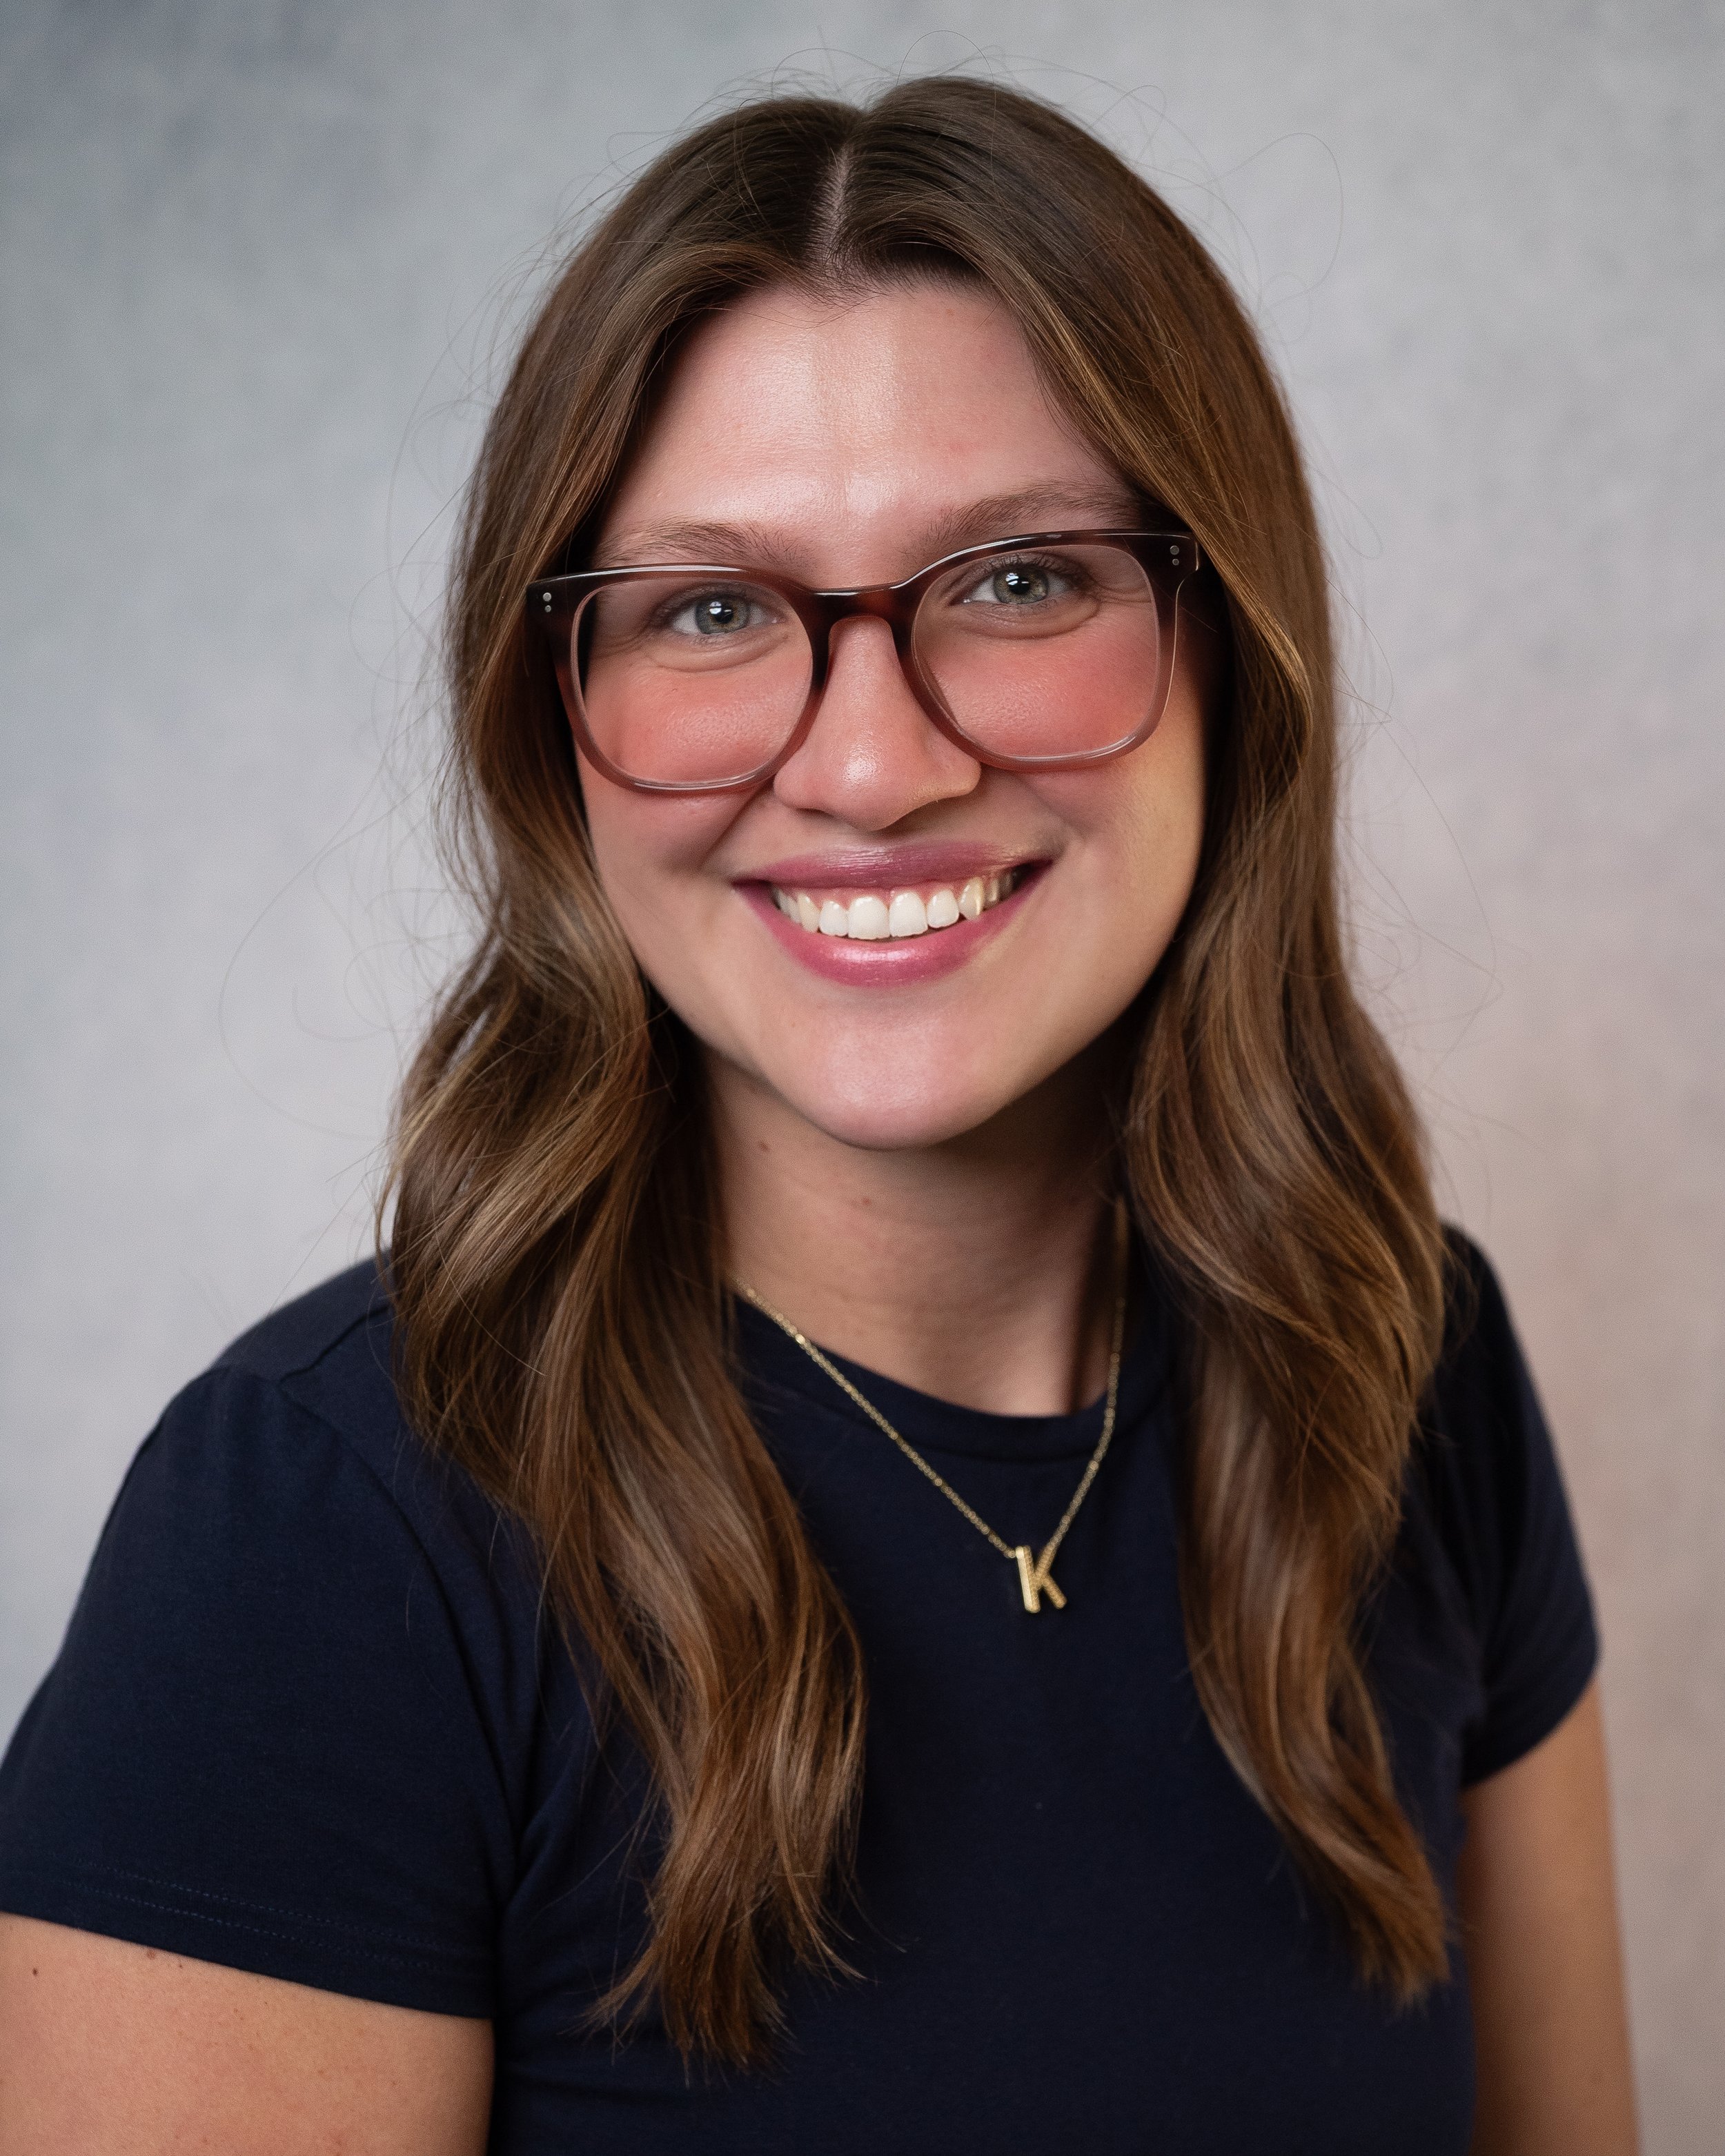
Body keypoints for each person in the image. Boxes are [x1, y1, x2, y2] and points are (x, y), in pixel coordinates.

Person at [0, 77, 1637, 2155]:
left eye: (1023, 581)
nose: (867, 765)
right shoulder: (320, 1540)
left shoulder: (1406, 1362)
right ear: (554, 728)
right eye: (707, 610)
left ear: (1232, 654)